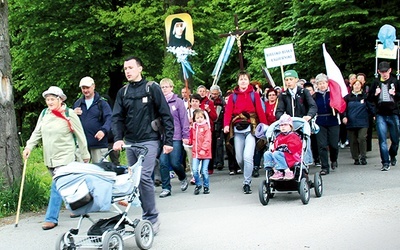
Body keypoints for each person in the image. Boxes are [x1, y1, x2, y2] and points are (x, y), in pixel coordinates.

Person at [112, 56, 174, 234]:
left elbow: (166, 115)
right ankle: (138, 215)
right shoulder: (122, 92)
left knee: (144, 176)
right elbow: (117, 118)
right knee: (134, 180)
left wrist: (168, 141)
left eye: (131, 67)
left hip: (150, 140)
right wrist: (118, 138)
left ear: (140, 69)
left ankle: (151, 217)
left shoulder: (152, 88)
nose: (128, 71)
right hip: (131, 142)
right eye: (125, 69)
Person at [22, 86, 90, 230]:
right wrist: (28, 147)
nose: (50, 102)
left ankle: (51, 218)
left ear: (60, 100)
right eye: (47, 99)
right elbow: (37, 132)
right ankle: (78, 204)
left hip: (65, 156)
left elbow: (81, 135)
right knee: (66, 186)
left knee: (57, 186)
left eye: (52, 99)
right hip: (49, 157)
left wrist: (85, 154)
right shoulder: (44, 113)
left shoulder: (69, 114)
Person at [223, 71, 267, 194]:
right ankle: (247, 171)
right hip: (237, 129)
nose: (243, 81)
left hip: (251, 129)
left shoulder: (254, 95)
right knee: (239, 159)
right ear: (238, 81)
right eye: (241, 79)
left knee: (248, 157)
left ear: (249, 81)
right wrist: (226, 124)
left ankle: (247, 182)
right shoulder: (233, 97)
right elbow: (228, 112)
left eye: (245, 79)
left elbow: (260, 111)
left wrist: (264, 126)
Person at [275, 69, 317, 165]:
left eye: (291, 79)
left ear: (296, 80)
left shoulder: (304, 92)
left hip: (302, 123)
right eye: (286, 80)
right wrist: (283, 119)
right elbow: (279, 111)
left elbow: (313, 106)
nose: (288, 82)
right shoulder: (283, 94)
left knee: (304, 142)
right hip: (289, 124)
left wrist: (308, 116)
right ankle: (290, 162)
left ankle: (305, 162)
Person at [158, 78, 190, 198]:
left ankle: (182, 176)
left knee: (175, 162)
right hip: (163, 137)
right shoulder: (159, 103)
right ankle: (166, 188)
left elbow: (184, 119)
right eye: (162, 87)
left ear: (172, 87)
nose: (164, 89)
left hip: (176, 136)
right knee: (163, 162)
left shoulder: (178, 102)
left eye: (167, 87)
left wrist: (185, 135)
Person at [367, 61, 400, 171]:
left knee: (395, 139)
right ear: (379, 72)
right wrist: (375, 94)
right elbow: (369, 99)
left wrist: (395, 94)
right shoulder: (376, 82)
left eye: (386, 71)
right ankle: (385, 162)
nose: (384, 74)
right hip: (380, 114)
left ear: (390, 70)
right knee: (382, 140)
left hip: (393, 113)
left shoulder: (395, 81)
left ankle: (392, 154)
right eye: (382, 72)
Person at [73, 76, 112, 163]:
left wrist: (103, 131)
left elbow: (109, 119)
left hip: (99, 144)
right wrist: (73, 114)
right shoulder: (78, 103)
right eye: (83, 88)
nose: (85, 90)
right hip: (81, 145)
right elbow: (71, 122)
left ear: (93, 86)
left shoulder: (102, 103)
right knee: (81, 172)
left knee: (100, 171)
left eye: (87, 87)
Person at [314, 73, 341, 175]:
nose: (322, 85)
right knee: (322, 145)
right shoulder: (315, 96)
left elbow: (340, 105)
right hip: (320, 121)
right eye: (320, 83)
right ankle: (325, 167)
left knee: (334, 144)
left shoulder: (333, 94)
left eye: (324, 83)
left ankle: (334, 159)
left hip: (332, 120)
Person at [263, 114, 302, 180]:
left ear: (290, 126)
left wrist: (284, 148)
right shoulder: (278, 137)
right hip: (279, 155)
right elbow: (275, 146)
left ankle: (288, 171)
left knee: (276, 153)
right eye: (281, 125)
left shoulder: (294, 136)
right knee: (267, 154)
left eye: (285, 125)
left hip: (291, 156)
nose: (283, 127)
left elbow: (295, 147)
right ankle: (276, 171)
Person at [343, 80, 372, 165]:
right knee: (353, 141)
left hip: (363, 121)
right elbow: (343, 109)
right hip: (351, 122)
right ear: (352, 86)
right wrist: (344, 116)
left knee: (362, 138)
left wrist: (374, 115)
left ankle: (363, 156)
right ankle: (355, 158)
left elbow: (370, 107)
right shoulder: (347, 97)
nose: (357, 86)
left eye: (359, 85)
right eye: (355, 85)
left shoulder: (365, 96)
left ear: (361, 86)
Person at [186, 109, 212, 195]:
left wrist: (203, 150)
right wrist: (188, 141)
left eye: (201, 117)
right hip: (196, 153)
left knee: (204, 171)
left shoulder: (206, 127)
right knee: (194, 170)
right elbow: (192, 138)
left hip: (205, 153)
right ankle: (198, 184)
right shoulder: (193, 127)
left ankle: (206, 186)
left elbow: (207, 140)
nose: (199, 119)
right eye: (197, 118)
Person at [197, 85, 217, 174]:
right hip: (197, 130)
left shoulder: (210, 103)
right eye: (200, 91)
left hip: (208, 129)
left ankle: (209, 167)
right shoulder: (195, 102)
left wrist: (209, 110)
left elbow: (215, 117)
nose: (201, 93)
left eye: (203, 91)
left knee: (209, 148)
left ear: (206, 92)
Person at [209, 85, 225, 170]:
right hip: (211, 125)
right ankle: (213, 161)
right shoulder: (209, 102)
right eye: (213, 94)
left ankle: (219, 162)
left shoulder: (222, 102)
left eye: (216, 94)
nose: (214, 95)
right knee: (212, 144)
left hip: (220, 124)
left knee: (219, 144)